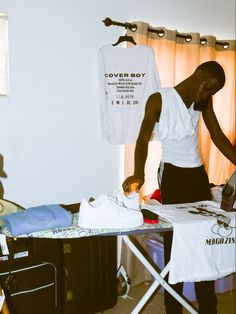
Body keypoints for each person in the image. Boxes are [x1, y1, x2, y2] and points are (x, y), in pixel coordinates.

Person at [122, 61, 236, 314]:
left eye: (212, 92)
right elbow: (142, 139)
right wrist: (138, 173)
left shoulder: (202, 101)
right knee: (178, 244)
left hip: (197, 175)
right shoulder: (159, 99)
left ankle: (208, 308)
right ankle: (174, 309)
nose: (206, 94)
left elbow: (217, 136)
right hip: (172, 173)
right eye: (207, 87)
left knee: (204, 240)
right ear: (198, 74)